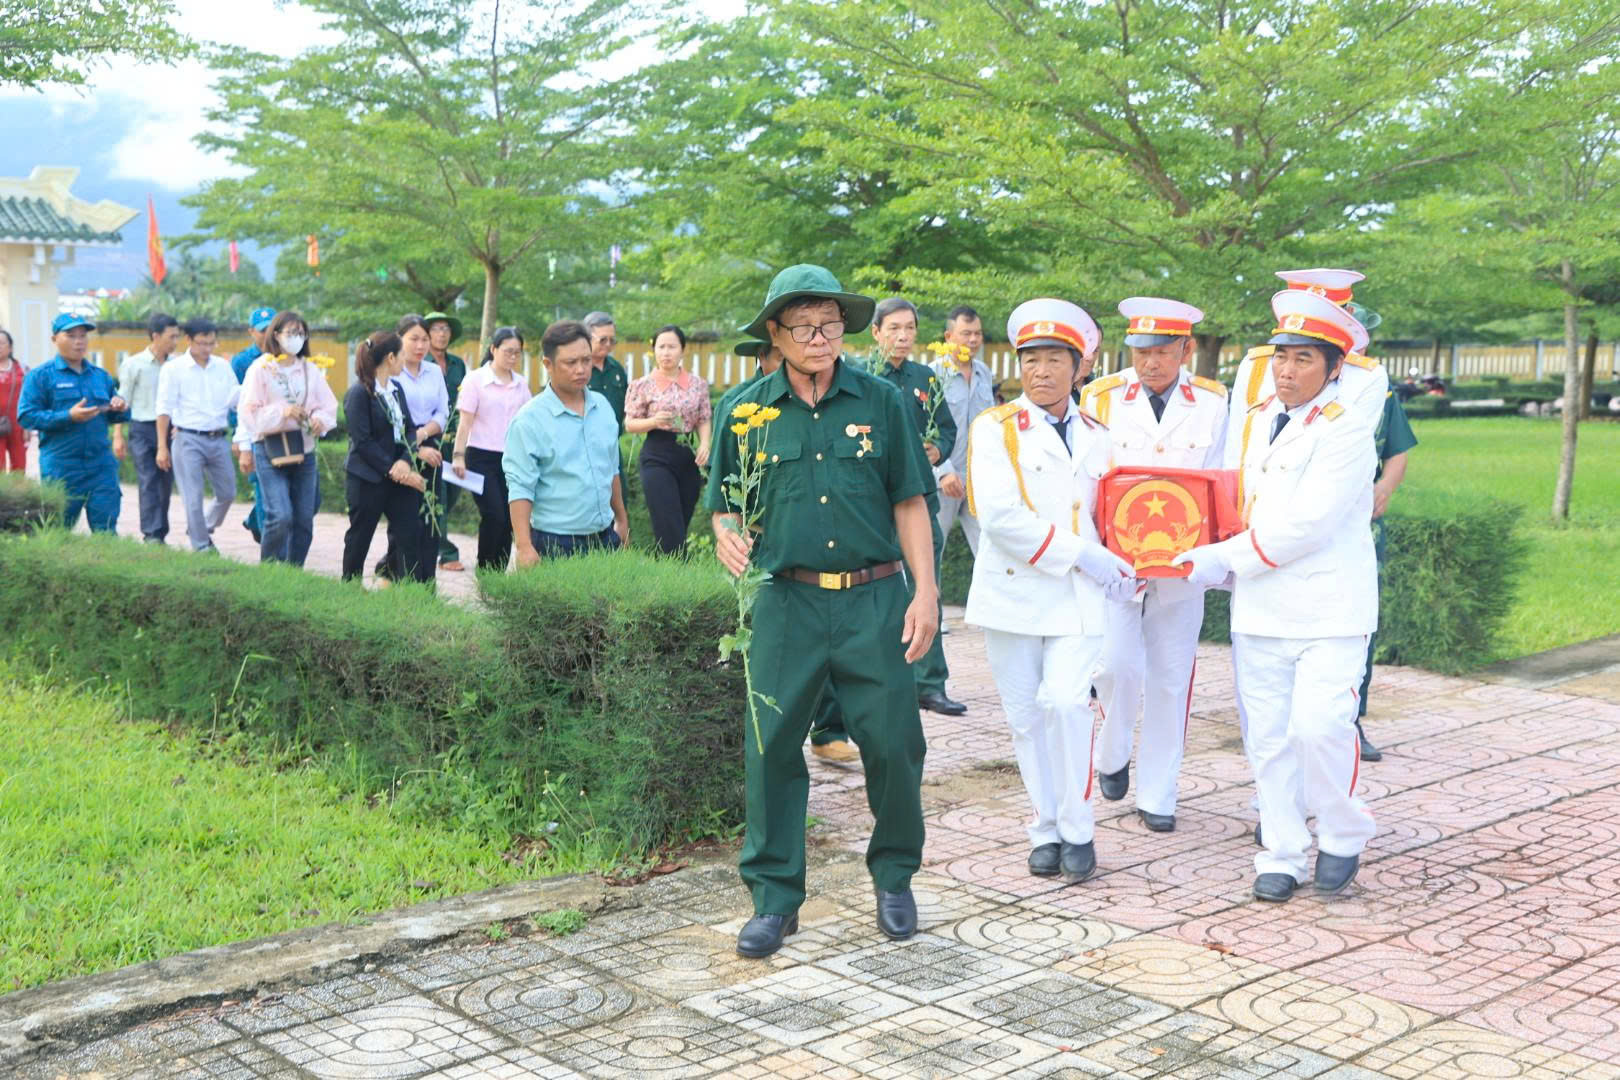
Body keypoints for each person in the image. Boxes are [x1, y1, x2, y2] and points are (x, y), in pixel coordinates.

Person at [708, 264, 939, 959]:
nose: (821, 337)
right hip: (785, 602)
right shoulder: (744, 411)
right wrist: (724, 531)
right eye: (804, 326)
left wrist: (926, 592)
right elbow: (723, 502)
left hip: (875, 599)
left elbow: (909, 501)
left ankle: (895, 875)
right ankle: (775, 900)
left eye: (832, 323)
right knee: (772, 748)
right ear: (774, 335)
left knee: (895, 743)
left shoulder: (881, 401)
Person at [1172, 290, 1378, 903]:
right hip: (1260, 610)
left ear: (1335, 367)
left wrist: (1215, 559)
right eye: (1280, 357)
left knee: (1320, 728)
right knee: (1268, 737)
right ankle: (1282, 851)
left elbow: (1305, 525)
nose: (1286, 371)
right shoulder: (1259, 419)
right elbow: (1236, 502)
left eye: (1303, 360)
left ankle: (1342, 829)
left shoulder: (1348, 431)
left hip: (1329, 610)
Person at [966, 299, 1133, 883]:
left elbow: (1117, 514)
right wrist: (1084, 552)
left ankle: (1079, 829)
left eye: (1054, 359)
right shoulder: (995, 430)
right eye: (1030, 359)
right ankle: (1046, 829)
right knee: (1025, 719)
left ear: (1079, 366)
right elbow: (999, 518)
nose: (1040, 371)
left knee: (1066, 703)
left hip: (1079, 599)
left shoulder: (1099, 435)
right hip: (1014, 597)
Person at [1081, 298, 1229, 834]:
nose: (1150, 364)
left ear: (1186, 350)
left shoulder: (1214, 403)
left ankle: (1159, 791)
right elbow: (1088, 481)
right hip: (1117, 562)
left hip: (1183, 566)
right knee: (1115, 666)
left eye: (1164, 352)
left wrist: (1208, 557)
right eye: (1142, 352)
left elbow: (1217, 482)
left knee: (1171, 676)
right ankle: (1112, 749)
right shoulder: (1099, 397)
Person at [871, 296, 965, 717]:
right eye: (893, 328)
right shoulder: (860, 376)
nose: (903, 336)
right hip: (873, 501)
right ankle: (883, 680)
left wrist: (936, 450)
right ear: (876, 333)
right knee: (878, 589)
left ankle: (930, 683)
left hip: (921, 498)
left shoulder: (926, 378)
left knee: (927, 585)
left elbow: (946, 430)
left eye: (909, 327)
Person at [1225, 269, 1388, 457]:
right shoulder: (1255, 365)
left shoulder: (1367, 376)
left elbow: (1349, 451)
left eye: (1329, 315)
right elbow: (1236, 447)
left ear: (1349, 314)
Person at [504, 320, 629, 563]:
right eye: (570, 363)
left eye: (586, 360)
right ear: (548, 365)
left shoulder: (602, 408)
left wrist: (622, 520)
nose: (581, 369)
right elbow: (520, 487)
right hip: (554, 542)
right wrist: (524, 546)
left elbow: (611, 469)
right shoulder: (529, 421)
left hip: (604, 538)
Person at [1354, 302, 1417, 762]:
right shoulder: (1285, 382)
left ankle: (1351, 718)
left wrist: (1384, 488)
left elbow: (1398, 450)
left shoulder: (1380, 386)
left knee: (1360, 624)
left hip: (1362, 529)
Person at [238, 311, 338, 566]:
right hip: (270, 450)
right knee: (279, 515)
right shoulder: (261, 368)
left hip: (303, 450)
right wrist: (282, 413)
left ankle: (294, 571)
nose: (296, 339)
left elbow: (327, 406)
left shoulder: (310, 369)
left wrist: (319, 420)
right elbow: (249, 412)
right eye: (290, 333)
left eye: (300, 334)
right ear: (276, 335)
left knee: (304, 518)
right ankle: (271, 569)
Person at [341, 330, 438, 583]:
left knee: (410, 534)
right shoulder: (359, 394)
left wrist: (405, 461)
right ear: (391, 357)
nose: (407, 359)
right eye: (403, 353)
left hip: (399, 474)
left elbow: (408, 430)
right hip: (368, 478)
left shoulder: (396, 390)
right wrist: (392, 469)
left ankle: (412, 591)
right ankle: (349, 587)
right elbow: (362, 442)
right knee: (360, 535)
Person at [18, 315, 128, 530]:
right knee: (58, 530)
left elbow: (114, 415)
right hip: (62, 467)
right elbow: (27, 416)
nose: (79, 341)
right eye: (71, 335)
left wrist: (120, 407)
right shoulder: (40, 376)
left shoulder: (100, 376)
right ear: (54, 339)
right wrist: (68, 416)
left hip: (101, 467)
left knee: (106, 530)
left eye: (83, 336)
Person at [625, 324, 712, 555]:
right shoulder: (642, 384)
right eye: (661, 347)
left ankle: (668, 570)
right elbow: (630, 423)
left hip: (687, 455)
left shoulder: (698, 384)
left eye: (672, 347)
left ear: (683, 350)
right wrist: (653, 421)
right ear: (653, 350)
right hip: (656, 454)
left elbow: (704, 418)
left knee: (681, 522)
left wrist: (704, 443)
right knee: (668, 523)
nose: (666, 352)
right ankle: (678, 573)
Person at [450, 326, 532, 570]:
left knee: (509, 518)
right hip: (480, 457)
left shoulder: (521, 383)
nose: (513, 357)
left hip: (512, 459)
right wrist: (458, 456)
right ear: (493, 349)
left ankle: (498, 573)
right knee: (494, 514)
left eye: (517, 353)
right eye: (508, 351)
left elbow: (528, 424)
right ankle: (486, 570)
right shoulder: (475, 380)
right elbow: (464, 424)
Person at [156, 319, 240, 553]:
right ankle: (202, 545)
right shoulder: (173, 369)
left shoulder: (223, 367)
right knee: (192, 498)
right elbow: (163, 409)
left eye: (212, 343)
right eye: (202, 343)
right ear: (189, 341)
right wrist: (162, 447)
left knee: (227, 492)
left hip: (218, 437)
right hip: (187, 439)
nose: (207, 348)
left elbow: (237, 400)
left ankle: (200, 527)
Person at [377, 315, 447, 584]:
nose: (420, 346)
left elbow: (443, 411)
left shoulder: (433, 371)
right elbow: (389, 419)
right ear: (399, 340)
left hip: (430, 446)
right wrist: (413, 449)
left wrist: (422, 436)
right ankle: (398, 576)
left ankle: (426, 584)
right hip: (400, 452)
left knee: (431, 519)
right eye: (413, 339)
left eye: (424, 339)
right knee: (405, 523)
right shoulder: (392, 373)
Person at [933, 305, 995, 557]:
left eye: (977, 334)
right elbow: (922, 430)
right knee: (930, 555)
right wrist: (942, 472)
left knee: (991, 554)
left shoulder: (984, 373)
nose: (973, 340)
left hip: (977, 480)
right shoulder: (932, 374)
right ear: (949, 337)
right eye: (966, 333)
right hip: (942, 481)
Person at [117, 313, 180, 542]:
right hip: (142, 429)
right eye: (171, 337)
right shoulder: (133, 364)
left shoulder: (177, 366)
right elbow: (123, 400)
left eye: (177, 337)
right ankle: (152, 533)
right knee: (148, 480)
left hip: (171, 429)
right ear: (156, 336)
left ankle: (160, 531)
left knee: (165, 483)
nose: (175, 342)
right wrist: (118, 435)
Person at [424, 310, 469, 571]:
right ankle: (447, 552)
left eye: (446, 329)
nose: (442, 333)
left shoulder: (457, 364)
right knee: (437, 495)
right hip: (432, 437)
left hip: (456, 437)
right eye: (437, 329)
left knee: (452, 492)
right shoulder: (423, 363)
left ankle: (431, 536)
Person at [233, 306, 276, 544]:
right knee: (262, 488)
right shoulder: (242, 362)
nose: (267, 333)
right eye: (262, 330)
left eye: (272, 328)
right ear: (251, 331)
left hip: (282, 434)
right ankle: (267, 544)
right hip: (255, 435)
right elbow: (238, 403)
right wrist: (240, 440)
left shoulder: (289, 359)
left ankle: (254, 520)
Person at [582, 311, 629, 433]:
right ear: (587, 338)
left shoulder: (616, 369)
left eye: (612, 340)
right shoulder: (577, 369)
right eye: (603, 340)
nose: (608, 344)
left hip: (613, 441)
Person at [0, 329, 28, 472]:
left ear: (10, 347)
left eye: (2, 343)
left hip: (18, 424)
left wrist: (28, 427)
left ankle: (18, 494)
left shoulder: (22, 369)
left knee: (19, 465)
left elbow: (30, 399)